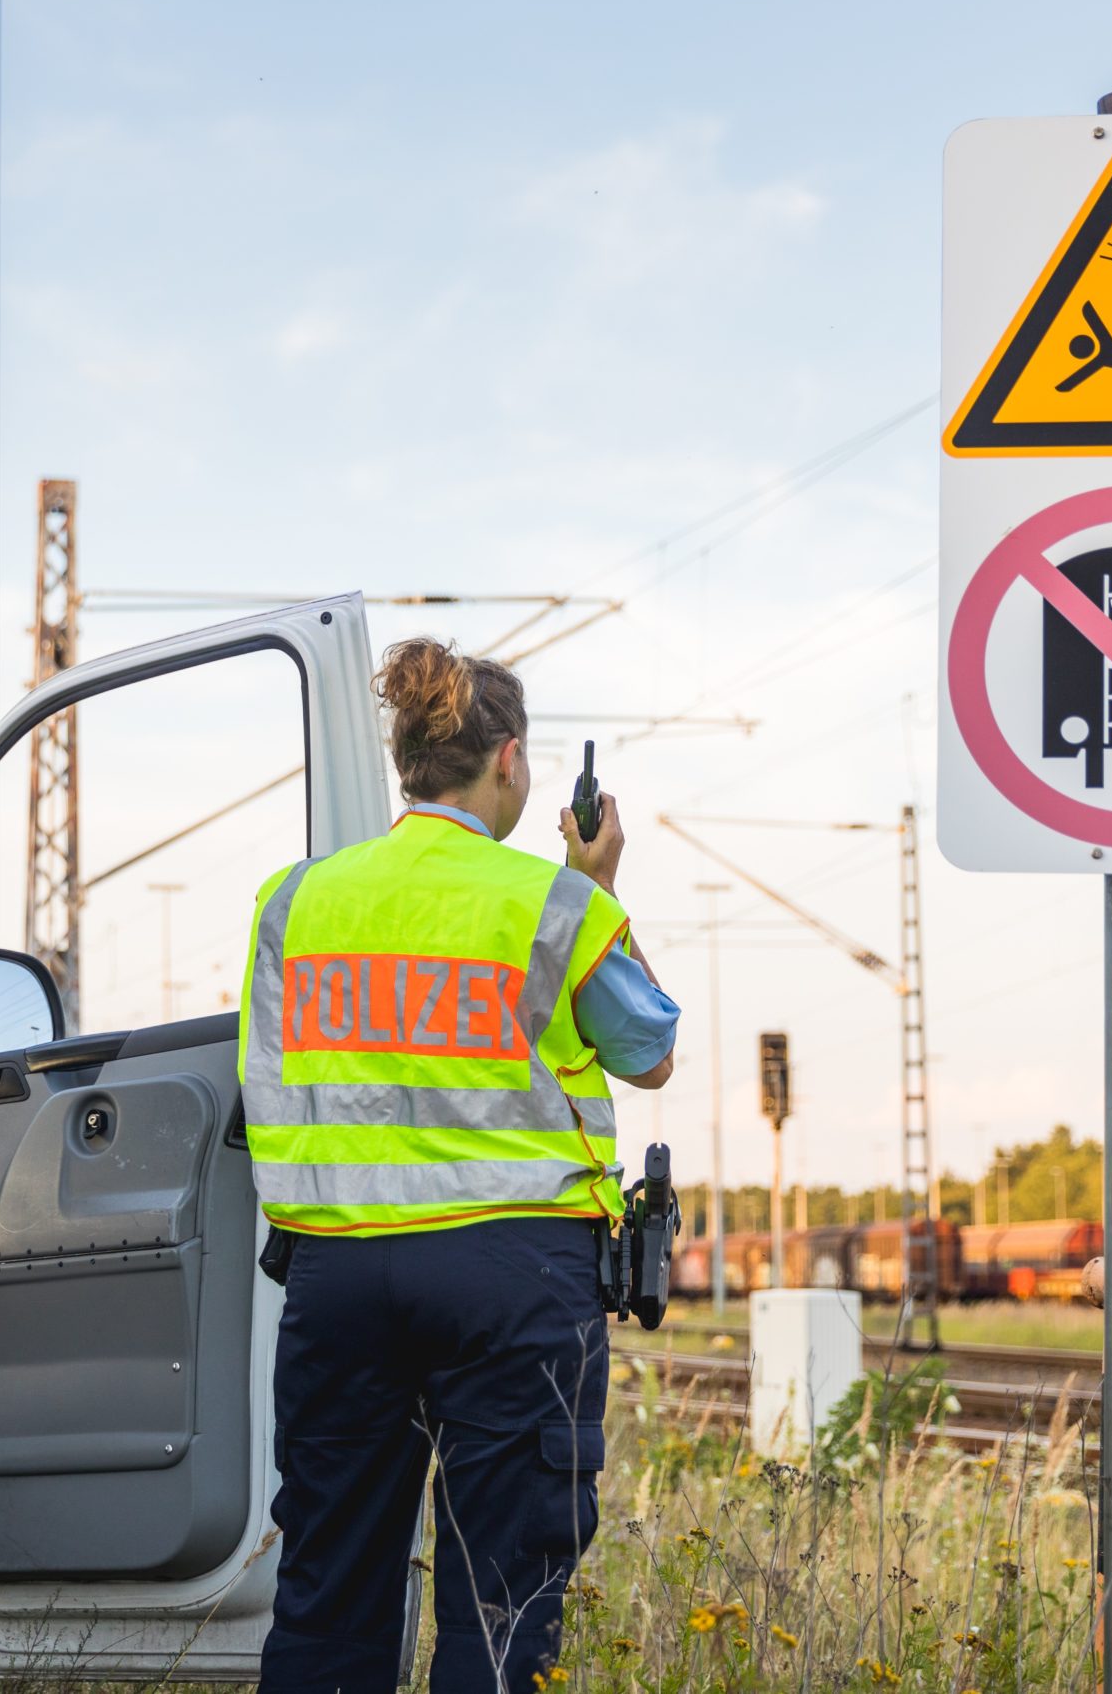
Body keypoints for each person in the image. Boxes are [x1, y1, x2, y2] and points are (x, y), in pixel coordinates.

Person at [237, 637, 679, 1693]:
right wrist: (601, 884)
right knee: (500, 1601)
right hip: (512, 1278)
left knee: (328, 1589)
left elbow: (265, 1084)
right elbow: (651, 1051)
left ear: (407, 758)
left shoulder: (294, 902)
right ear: (512, 762)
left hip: (337, 1276)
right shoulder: (552, 903)